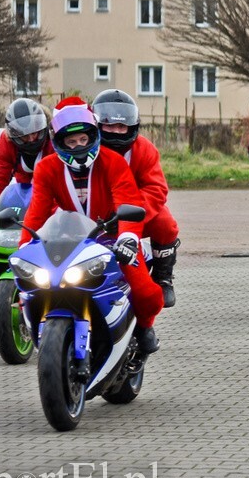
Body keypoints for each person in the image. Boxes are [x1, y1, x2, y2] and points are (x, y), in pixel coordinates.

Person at [20, 97, 164, 352]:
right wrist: (24, 248)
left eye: (83, 139)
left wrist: (128, 238)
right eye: (71, 141)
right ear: (59, 142)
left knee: (147, 293)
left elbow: (128, 202)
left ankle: (143, 328)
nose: (78, 146)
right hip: (69, 237)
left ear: (93, 136)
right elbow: (36, 213)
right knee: (36, 285)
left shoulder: (113, 161)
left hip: (112, 236)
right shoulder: (46, 168)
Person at [92, 89, 181, 308]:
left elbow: (156, 189)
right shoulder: (86, 148)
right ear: (98, 125)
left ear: (132, 127)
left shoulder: (145, 149)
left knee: (166, 223)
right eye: (110, 126)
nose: (116, 131)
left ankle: (163, 277)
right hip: (93, 212)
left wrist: (127, 215)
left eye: (121, 126)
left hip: (134, 211)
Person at [0, 98, 54, 203]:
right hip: (23, 191)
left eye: (34, 133)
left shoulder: (53, 138)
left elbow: (60, 177)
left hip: (51, 191)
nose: (31, 139)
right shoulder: (6, 141)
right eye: (25, 136)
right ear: (15, 134)